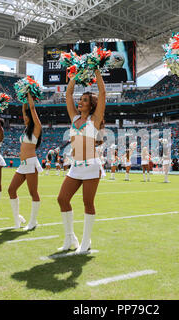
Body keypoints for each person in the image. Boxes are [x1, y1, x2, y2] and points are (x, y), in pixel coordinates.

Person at [57, 69, 106, 254]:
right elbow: (68, 93)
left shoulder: (95, 119)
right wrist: (74, 74)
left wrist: (96, 69)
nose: (80, 101)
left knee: (88, 203)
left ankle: (86, 242)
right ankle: (70, 237)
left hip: (92, 166)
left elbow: (102, 93)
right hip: (75, 166)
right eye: (81, 99)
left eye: (85, 100)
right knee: (62, 199)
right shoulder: (74, 117)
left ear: (91, 105)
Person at [8, 92, 43, 230]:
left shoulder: (36, 129)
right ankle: (17, 219)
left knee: (33, 193)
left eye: (26, 117)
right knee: (11, 190)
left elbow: (32, 109)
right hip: (22, 165)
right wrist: (23, 99)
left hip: (31, 164)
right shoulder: (25, 130)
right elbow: (25, 110)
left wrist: (29, 95)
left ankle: (33, 221)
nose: (24, 118)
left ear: (31, 118)